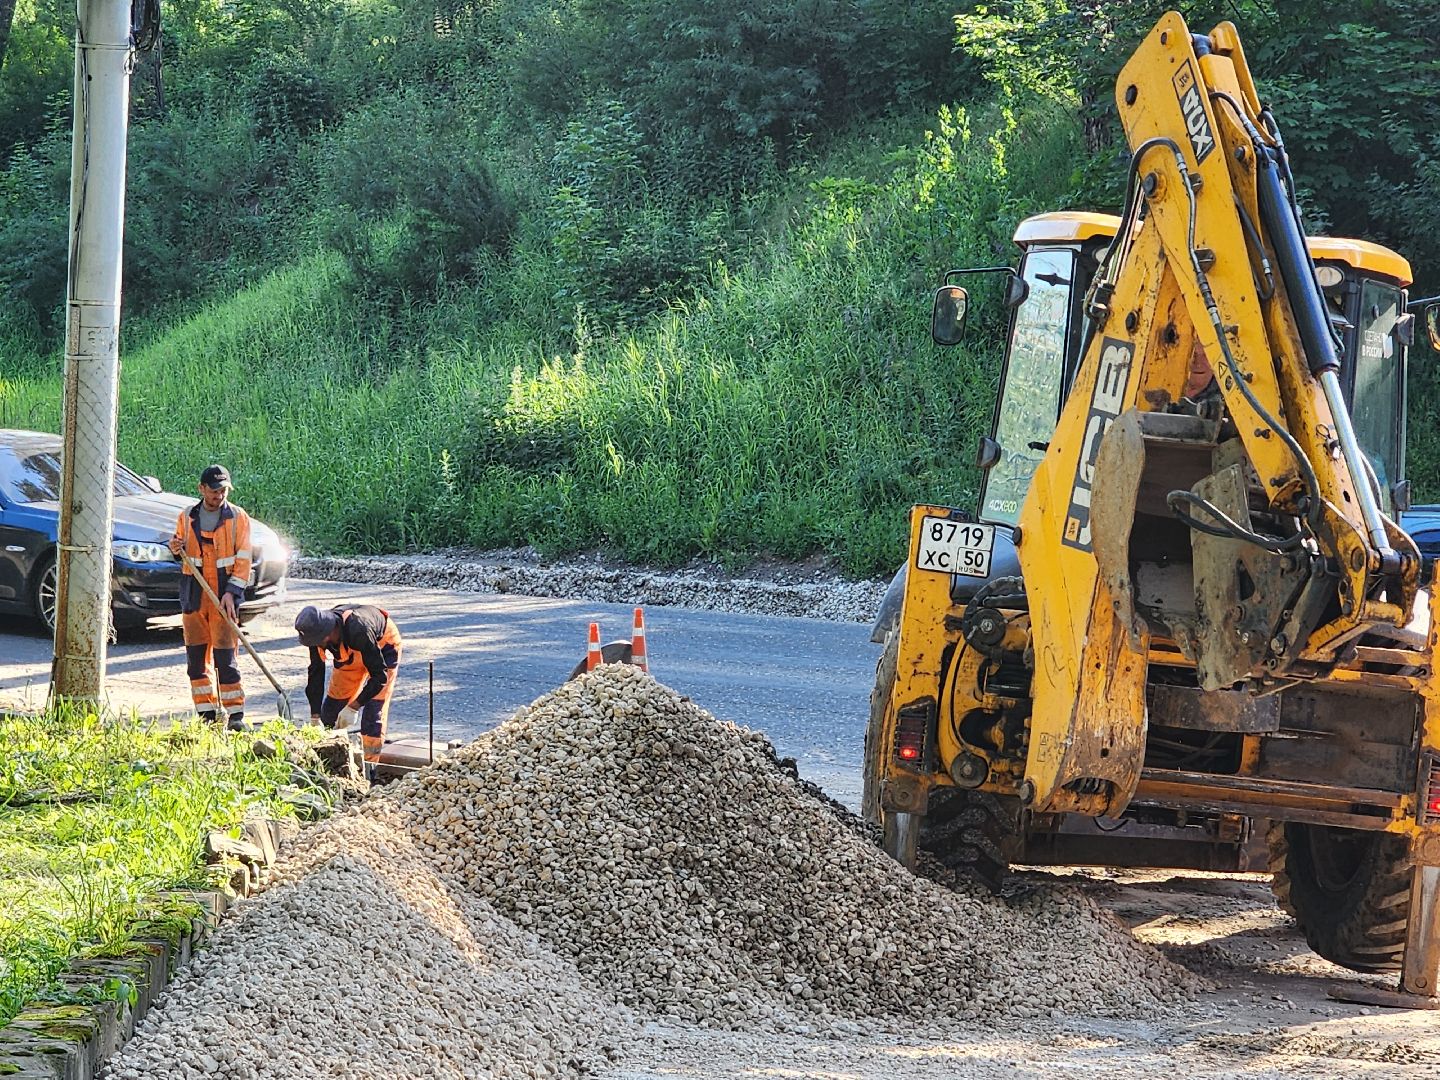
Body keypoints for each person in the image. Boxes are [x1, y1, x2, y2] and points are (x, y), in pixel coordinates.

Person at [168, 465, 252, 729]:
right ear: (201, 489)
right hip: (194, 596)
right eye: (215, 490)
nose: (220, 495)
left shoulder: (238, 518)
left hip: (222, 597)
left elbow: (244, 560)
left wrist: (232, 593)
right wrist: (175, 548)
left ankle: (235, 715)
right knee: (196, 661)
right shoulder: (186, 517)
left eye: (224, 490)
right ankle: (206, 714)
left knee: (225, 660)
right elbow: (178, 548)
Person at [294, 604, 403, 776]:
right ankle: (329, 767)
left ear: (328, 633)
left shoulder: (358, 628)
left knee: (372, 715)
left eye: (319, 642)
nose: (317, 646)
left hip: (383, 647)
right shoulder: (316, 635)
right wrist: (315, 716)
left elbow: (379, 677)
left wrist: (353, 707)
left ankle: (369, 771)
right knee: (330, 712)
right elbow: (315, 673)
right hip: (349, 655)